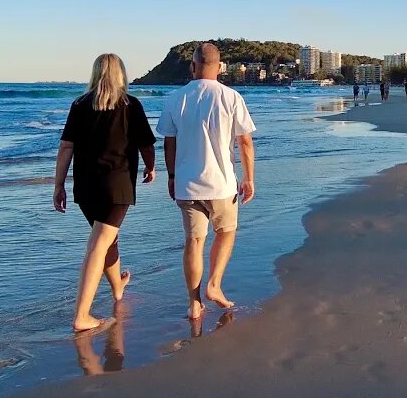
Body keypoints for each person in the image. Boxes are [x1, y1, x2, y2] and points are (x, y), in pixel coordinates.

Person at [54, 53, 156, 333]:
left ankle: (117, 288)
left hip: (85, 186)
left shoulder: (80, 104)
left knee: (108, 239)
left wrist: (59, 184)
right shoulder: (130, 105)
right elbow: (147, 144)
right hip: (117, 184)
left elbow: (66, 147)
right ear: (121, 74)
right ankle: (82, 315)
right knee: (99, 244)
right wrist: (151, 166)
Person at [157, 43, 257, 320]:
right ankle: (214, 284)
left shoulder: (176, 98)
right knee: (226, 232)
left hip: (187, 185)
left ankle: (193, 302)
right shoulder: (231, 97)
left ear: (193, 66)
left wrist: (172, 176)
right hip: (222, 184)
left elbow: (169, 142)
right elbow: (245, 142)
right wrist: (249, 178)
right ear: (220, 67)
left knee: (193, 241)